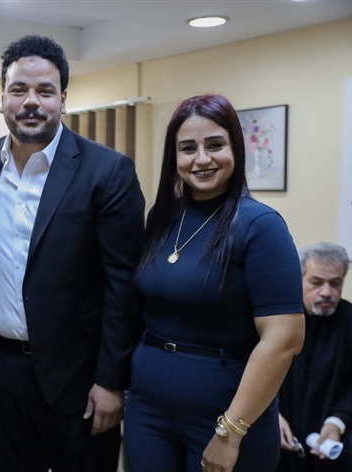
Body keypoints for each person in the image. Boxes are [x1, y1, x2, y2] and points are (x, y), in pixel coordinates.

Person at [0, 34, 145, 472]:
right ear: (2, 99)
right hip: (0, 372)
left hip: (80, 377)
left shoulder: (107, 171)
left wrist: (111, 381)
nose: (31, 102)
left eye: (45, 91)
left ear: (63, 100)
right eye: (19, 90)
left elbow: (124, 287)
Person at [123, 93, 305, 472]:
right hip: (147, 408)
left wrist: (230, 432)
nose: (202, 159)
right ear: (174, 157)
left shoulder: (261, 226)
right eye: (188, 148)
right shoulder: (162, 217)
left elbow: (284, 339)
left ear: (235, 148)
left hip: (225, 412)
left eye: (215, 145)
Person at [277, 242, 352, 472]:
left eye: (335, 283)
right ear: (299, 279)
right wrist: (269, 414)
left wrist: (337, 422)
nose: (326, 292)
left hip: (334, 428)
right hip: (274, 419)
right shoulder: (276, 319)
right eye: (316, 282)